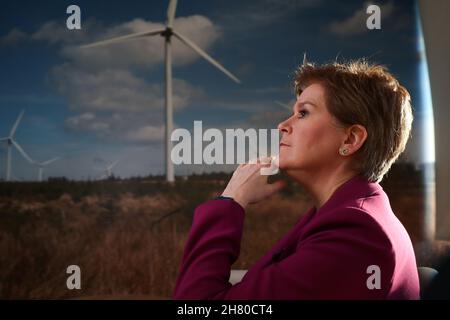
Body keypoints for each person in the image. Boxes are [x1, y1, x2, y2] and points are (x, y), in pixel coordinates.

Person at [173, 59, 420, 300]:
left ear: (350, 140)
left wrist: (231, 200)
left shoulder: (356, 233)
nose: (282, 125)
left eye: (303, 113)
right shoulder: (348, 215)